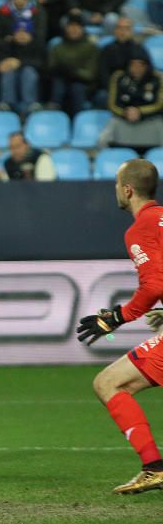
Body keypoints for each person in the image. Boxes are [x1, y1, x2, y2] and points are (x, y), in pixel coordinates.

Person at [78, 159, 163, 494]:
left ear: (127, 190)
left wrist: (116, 317)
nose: (116, 189)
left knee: (109, 383)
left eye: (117, 184)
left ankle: (154, 467)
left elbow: (154, 285)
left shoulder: (140, 227)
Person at [0, 0, 47, 115]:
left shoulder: (38, 12)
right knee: (8, 72)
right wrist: (11, 39)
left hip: (31, 58)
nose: (19, 1)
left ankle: (30, 105)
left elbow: (41, 41)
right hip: (8, 56)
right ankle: (6, 105)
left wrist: (30, 39)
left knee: (29, 73)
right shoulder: (2, 12)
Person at [103, 49, 163, 154]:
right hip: (123, 119)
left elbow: (159, 104)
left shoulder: (158, 78)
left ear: (147, 66)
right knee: (103, 138)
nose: (137, 69)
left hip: (151, 119)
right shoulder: (118, 77)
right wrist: (126, 112)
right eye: (133, 65)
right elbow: (112, 104)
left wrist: (139, 111)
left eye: (141, 65)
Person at [48, 15, 98, 115]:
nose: (74, 29)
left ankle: (78, 119)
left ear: (82, 29)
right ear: (66, 28)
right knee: (58, 85)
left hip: (83, 85)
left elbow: (91, 74)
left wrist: (73, 72)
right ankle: (53, 117)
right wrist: (60, 70)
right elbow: (50, 68)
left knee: (76, 88)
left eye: (77, 26)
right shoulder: (57, 47)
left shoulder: (91, 47)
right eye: (71, 26)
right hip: (61, 82)